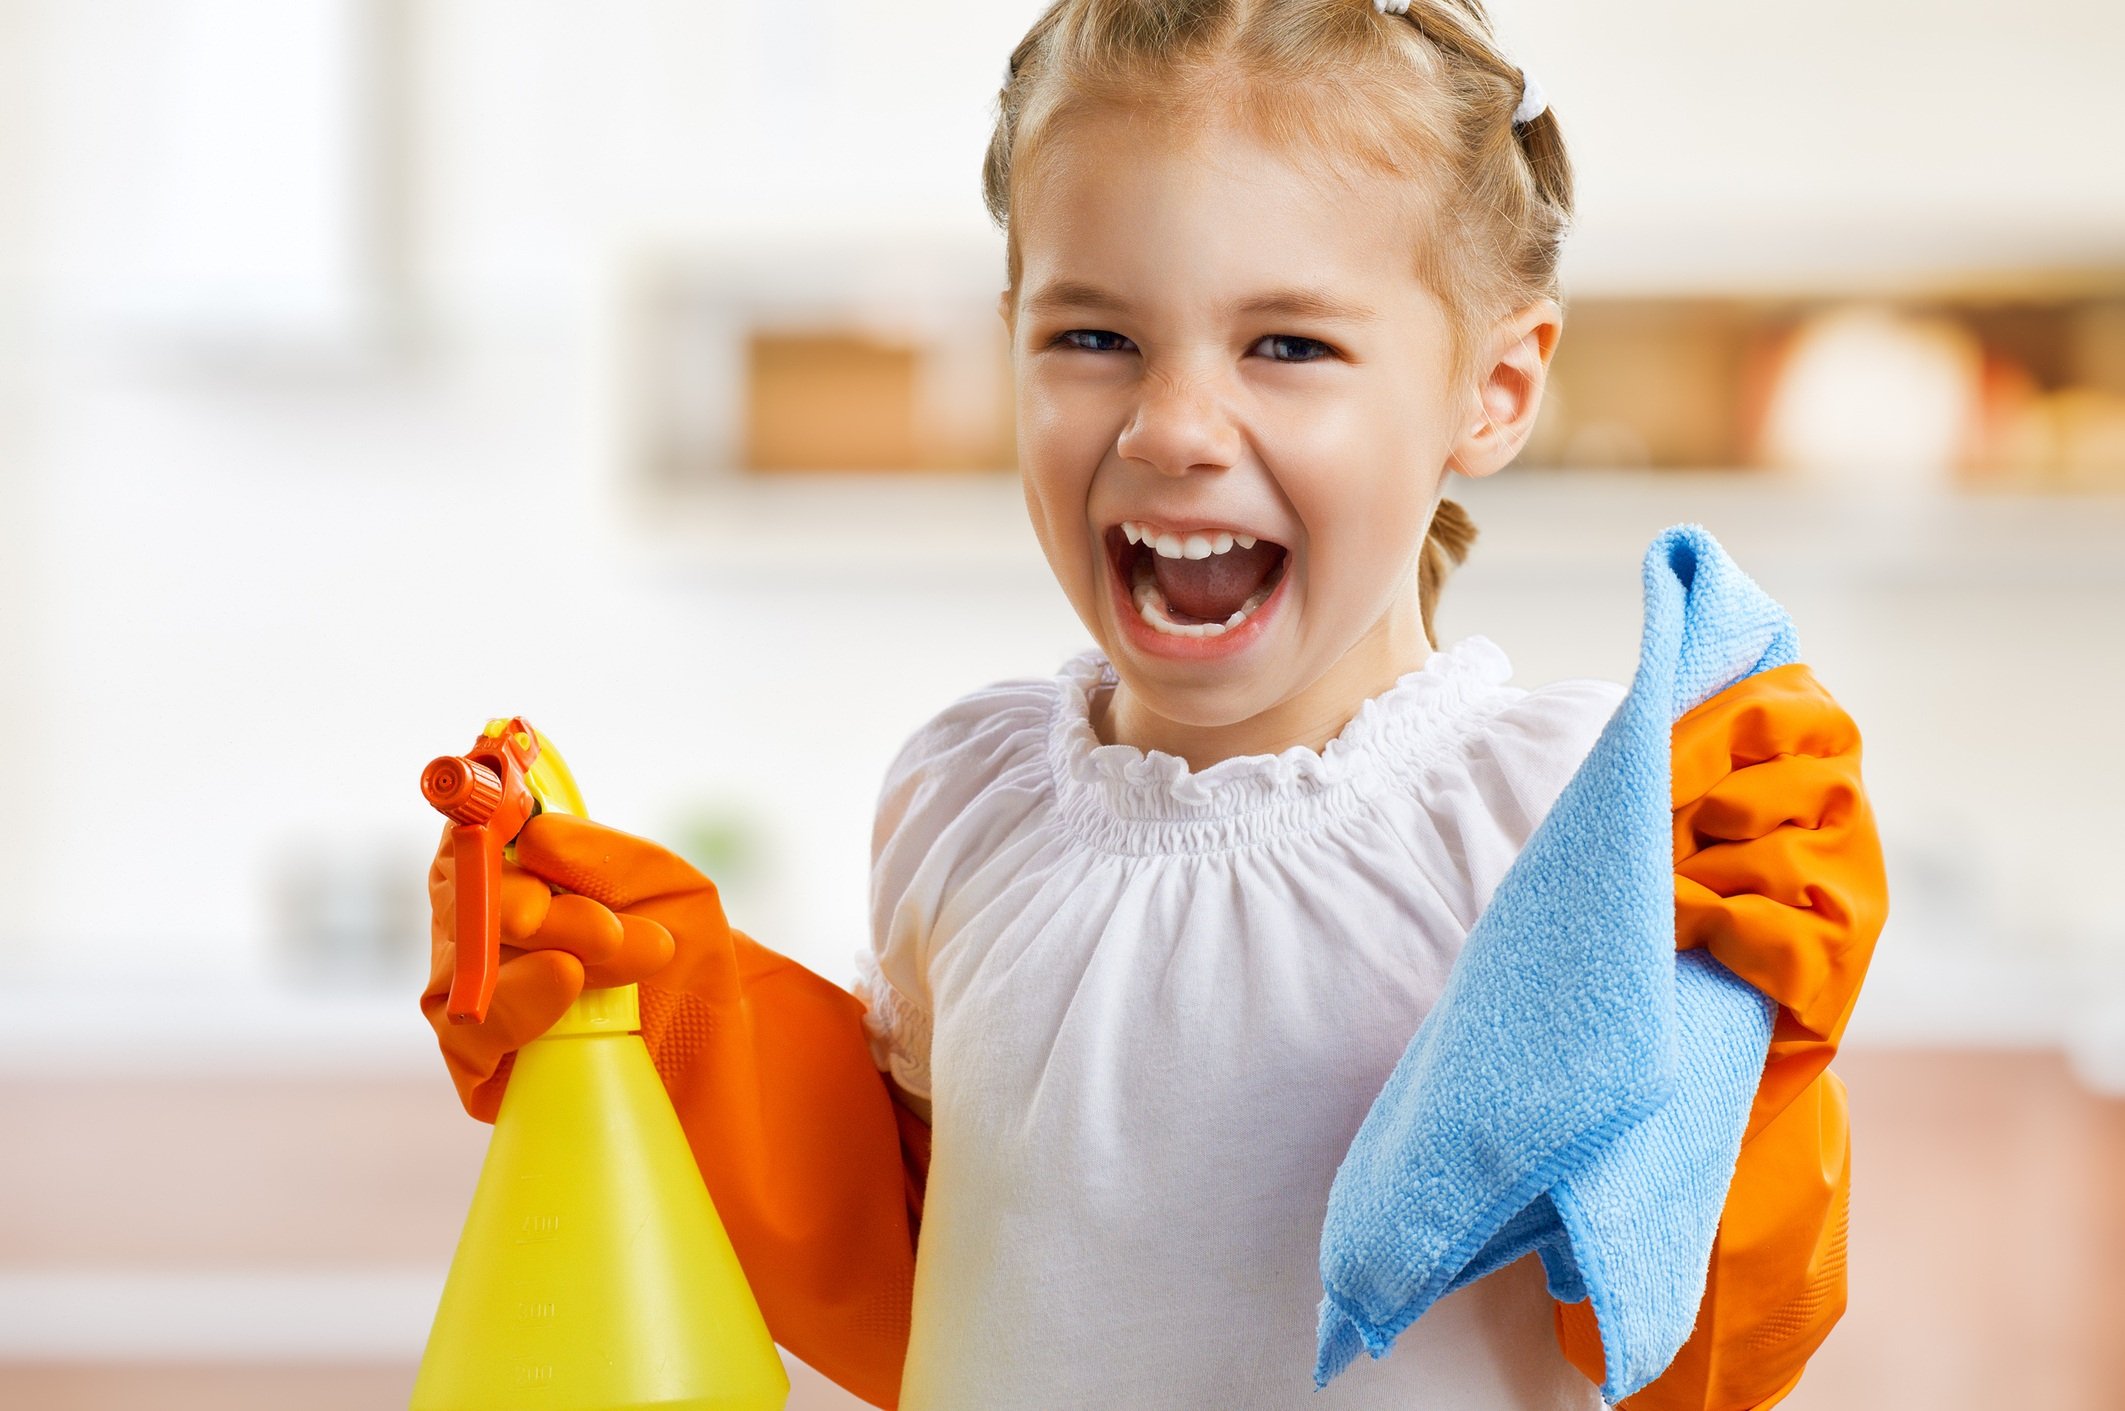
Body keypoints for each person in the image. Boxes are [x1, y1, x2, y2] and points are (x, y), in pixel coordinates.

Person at [423, 2, 1886, 1407]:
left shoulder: (1584, 826)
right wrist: (662, 1014)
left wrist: (1752, 1052)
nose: (1172, 427)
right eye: (1093, 338)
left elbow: (1684, 1356)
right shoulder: (961, 797)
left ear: (1493, 388)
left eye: (1288, 346)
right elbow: (933, 1281)